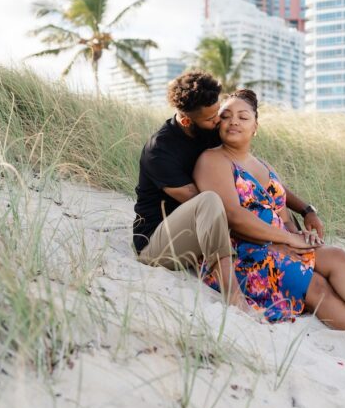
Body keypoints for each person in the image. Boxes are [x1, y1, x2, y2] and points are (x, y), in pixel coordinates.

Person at [193, 89, 345, 358]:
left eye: (243, 117)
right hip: (242, 253)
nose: (234, 121)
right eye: (226, 116)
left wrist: (301, 239)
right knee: (316, 285)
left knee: (336, 256)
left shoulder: (264, 166)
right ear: (218, 124)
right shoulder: (213, 160)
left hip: (277, 245)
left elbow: (282, 214)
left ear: (255, 127)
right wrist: (287, 240)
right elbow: (233, 216)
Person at [133, 72, 324, 314]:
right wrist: (275, 238)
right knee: (211, 201)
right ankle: (234, 296)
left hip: (202, 240)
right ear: (186, 121)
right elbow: (219, 211)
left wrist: (305, 209)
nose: (219, 122)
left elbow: (254, 180)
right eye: (212, 118)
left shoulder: (209, 130)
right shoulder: (160, 152)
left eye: (219, 113)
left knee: (265, 207)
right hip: (160, 245)